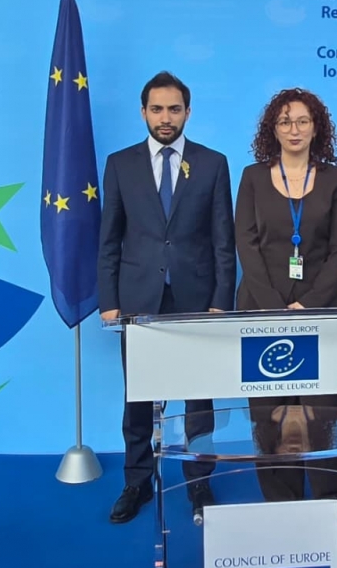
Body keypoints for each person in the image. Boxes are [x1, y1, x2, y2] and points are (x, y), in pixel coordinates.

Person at [98, 71, 236, 524]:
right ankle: (137, 481)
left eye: (174, 109)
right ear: (143, 112)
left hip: (197, 300)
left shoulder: (213, 164)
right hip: (138, 300)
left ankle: (199, 482)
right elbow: (109, 239)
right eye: (156, 109)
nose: (165, 117)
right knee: (138, 399)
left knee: (199, 401)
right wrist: (109, 300)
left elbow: (223, 240)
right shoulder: (120, 164)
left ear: (187, 113)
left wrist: (221, 301)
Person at [234, 87, 337, 518]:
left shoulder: (333, 178)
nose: (294, 129)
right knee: (269, 409)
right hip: (260, 307)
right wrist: (273, 306)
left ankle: (333, 495)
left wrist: (310, 303)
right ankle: (281, 499)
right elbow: (246, 244)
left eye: (303, 121)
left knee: (324, 407)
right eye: (285, 121)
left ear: (317, 127)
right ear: (273, 128)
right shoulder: (252, 177)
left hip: (323, 308)